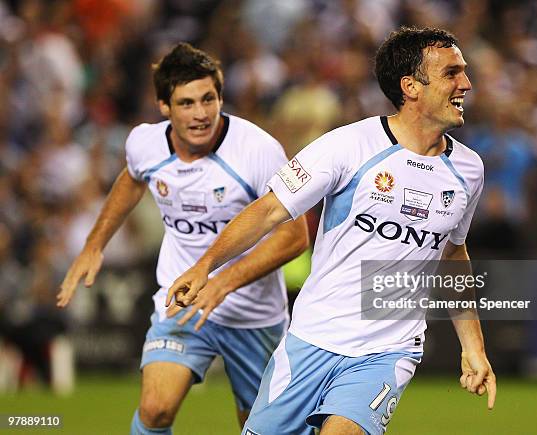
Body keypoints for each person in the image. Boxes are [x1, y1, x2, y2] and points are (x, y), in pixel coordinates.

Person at [168, 26, 496, 435]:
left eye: (463, 71)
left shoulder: (468, 171)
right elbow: (270, 210)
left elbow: (451, 255)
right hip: (310, 340)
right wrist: (206, 265)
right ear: (410, 86)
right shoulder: (347, 146)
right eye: (452, 73)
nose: (466, 83)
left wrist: (474, 348)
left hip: (387, 351)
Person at [56, 43, 309, 434]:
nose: (201, 113)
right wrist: (94, 244)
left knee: (262, 428)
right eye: (187, 103)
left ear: (221, 97)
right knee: (155, 410)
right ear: (163, 107)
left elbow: (294, 237)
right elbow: (131, 179)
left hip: (253, 318)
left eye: (209, 99)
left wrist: (221, 283)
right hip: (181, 303)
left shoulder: (258, 151)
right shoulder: (145, 144)